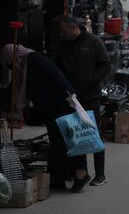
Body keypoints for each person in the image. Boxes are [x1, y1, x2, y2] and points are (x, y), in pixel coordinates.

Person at [0, 45, 89, 193]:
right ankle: (59, 177)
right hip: (49, 106)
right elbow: (13, 88)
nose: (9, 67)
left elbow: (55, 74)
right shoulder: (21, 66)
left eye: (8, 62)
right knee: (56, 142)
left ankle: (81, 173)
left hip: (61, 103)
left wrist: (71, 96)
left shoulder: (33, 58)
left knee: (71, 138)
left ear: (12, 56)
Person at [57, 15, 112, 187]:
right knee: (76, 134)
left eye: (63, 30)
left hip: (90, 97)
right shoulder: (64, 46)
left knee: (93, 134)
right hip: (72, 99)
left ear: (74, 28)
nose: (61, 34)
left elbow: (106, 65)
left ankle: (100, 174)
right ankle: (81, 172)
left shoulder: (93, 42)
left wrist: (91, 80)